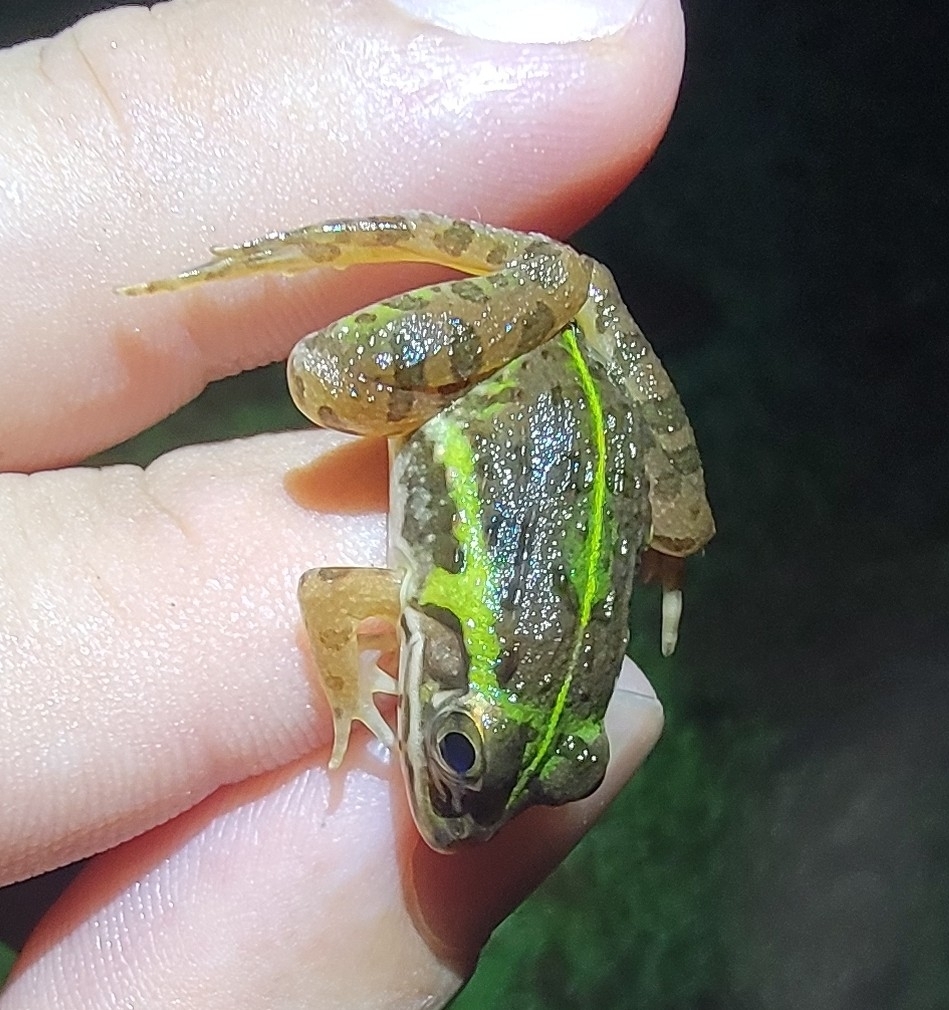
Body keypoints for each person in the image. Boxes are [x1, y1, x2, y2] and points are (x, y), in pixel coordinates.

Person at [0, 0, 681, 1005]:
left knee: (659, 512)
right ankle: (551, 284)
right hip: (523, 392)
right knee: (325, 379)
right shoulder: (443, 623)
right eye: (455, 749)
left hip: (585, 412)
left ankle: (574, 308)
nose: (467, 818)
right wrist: (346, 683)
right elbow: (327, 591)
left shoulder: (482, 663)